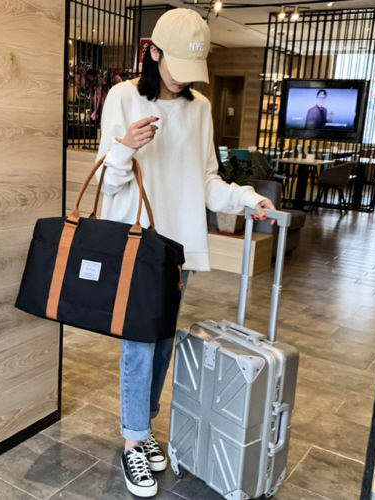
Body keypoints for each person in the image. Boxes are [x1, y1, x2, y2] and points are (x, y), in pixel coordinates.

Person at [95, 8, 275, 498]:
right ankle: (134, 441)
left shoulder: (199, 108)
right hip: (135, 243)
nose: (184, 79)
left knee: (161, 342)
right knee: (138, 346)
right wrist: (125, 147)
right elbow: (107, 183)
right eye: (177, 65)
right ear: (152, 51)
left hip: (176, 249)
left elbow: (207, 180)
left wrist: (246, 199)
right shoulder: (123, 97)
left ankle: (143, 427)